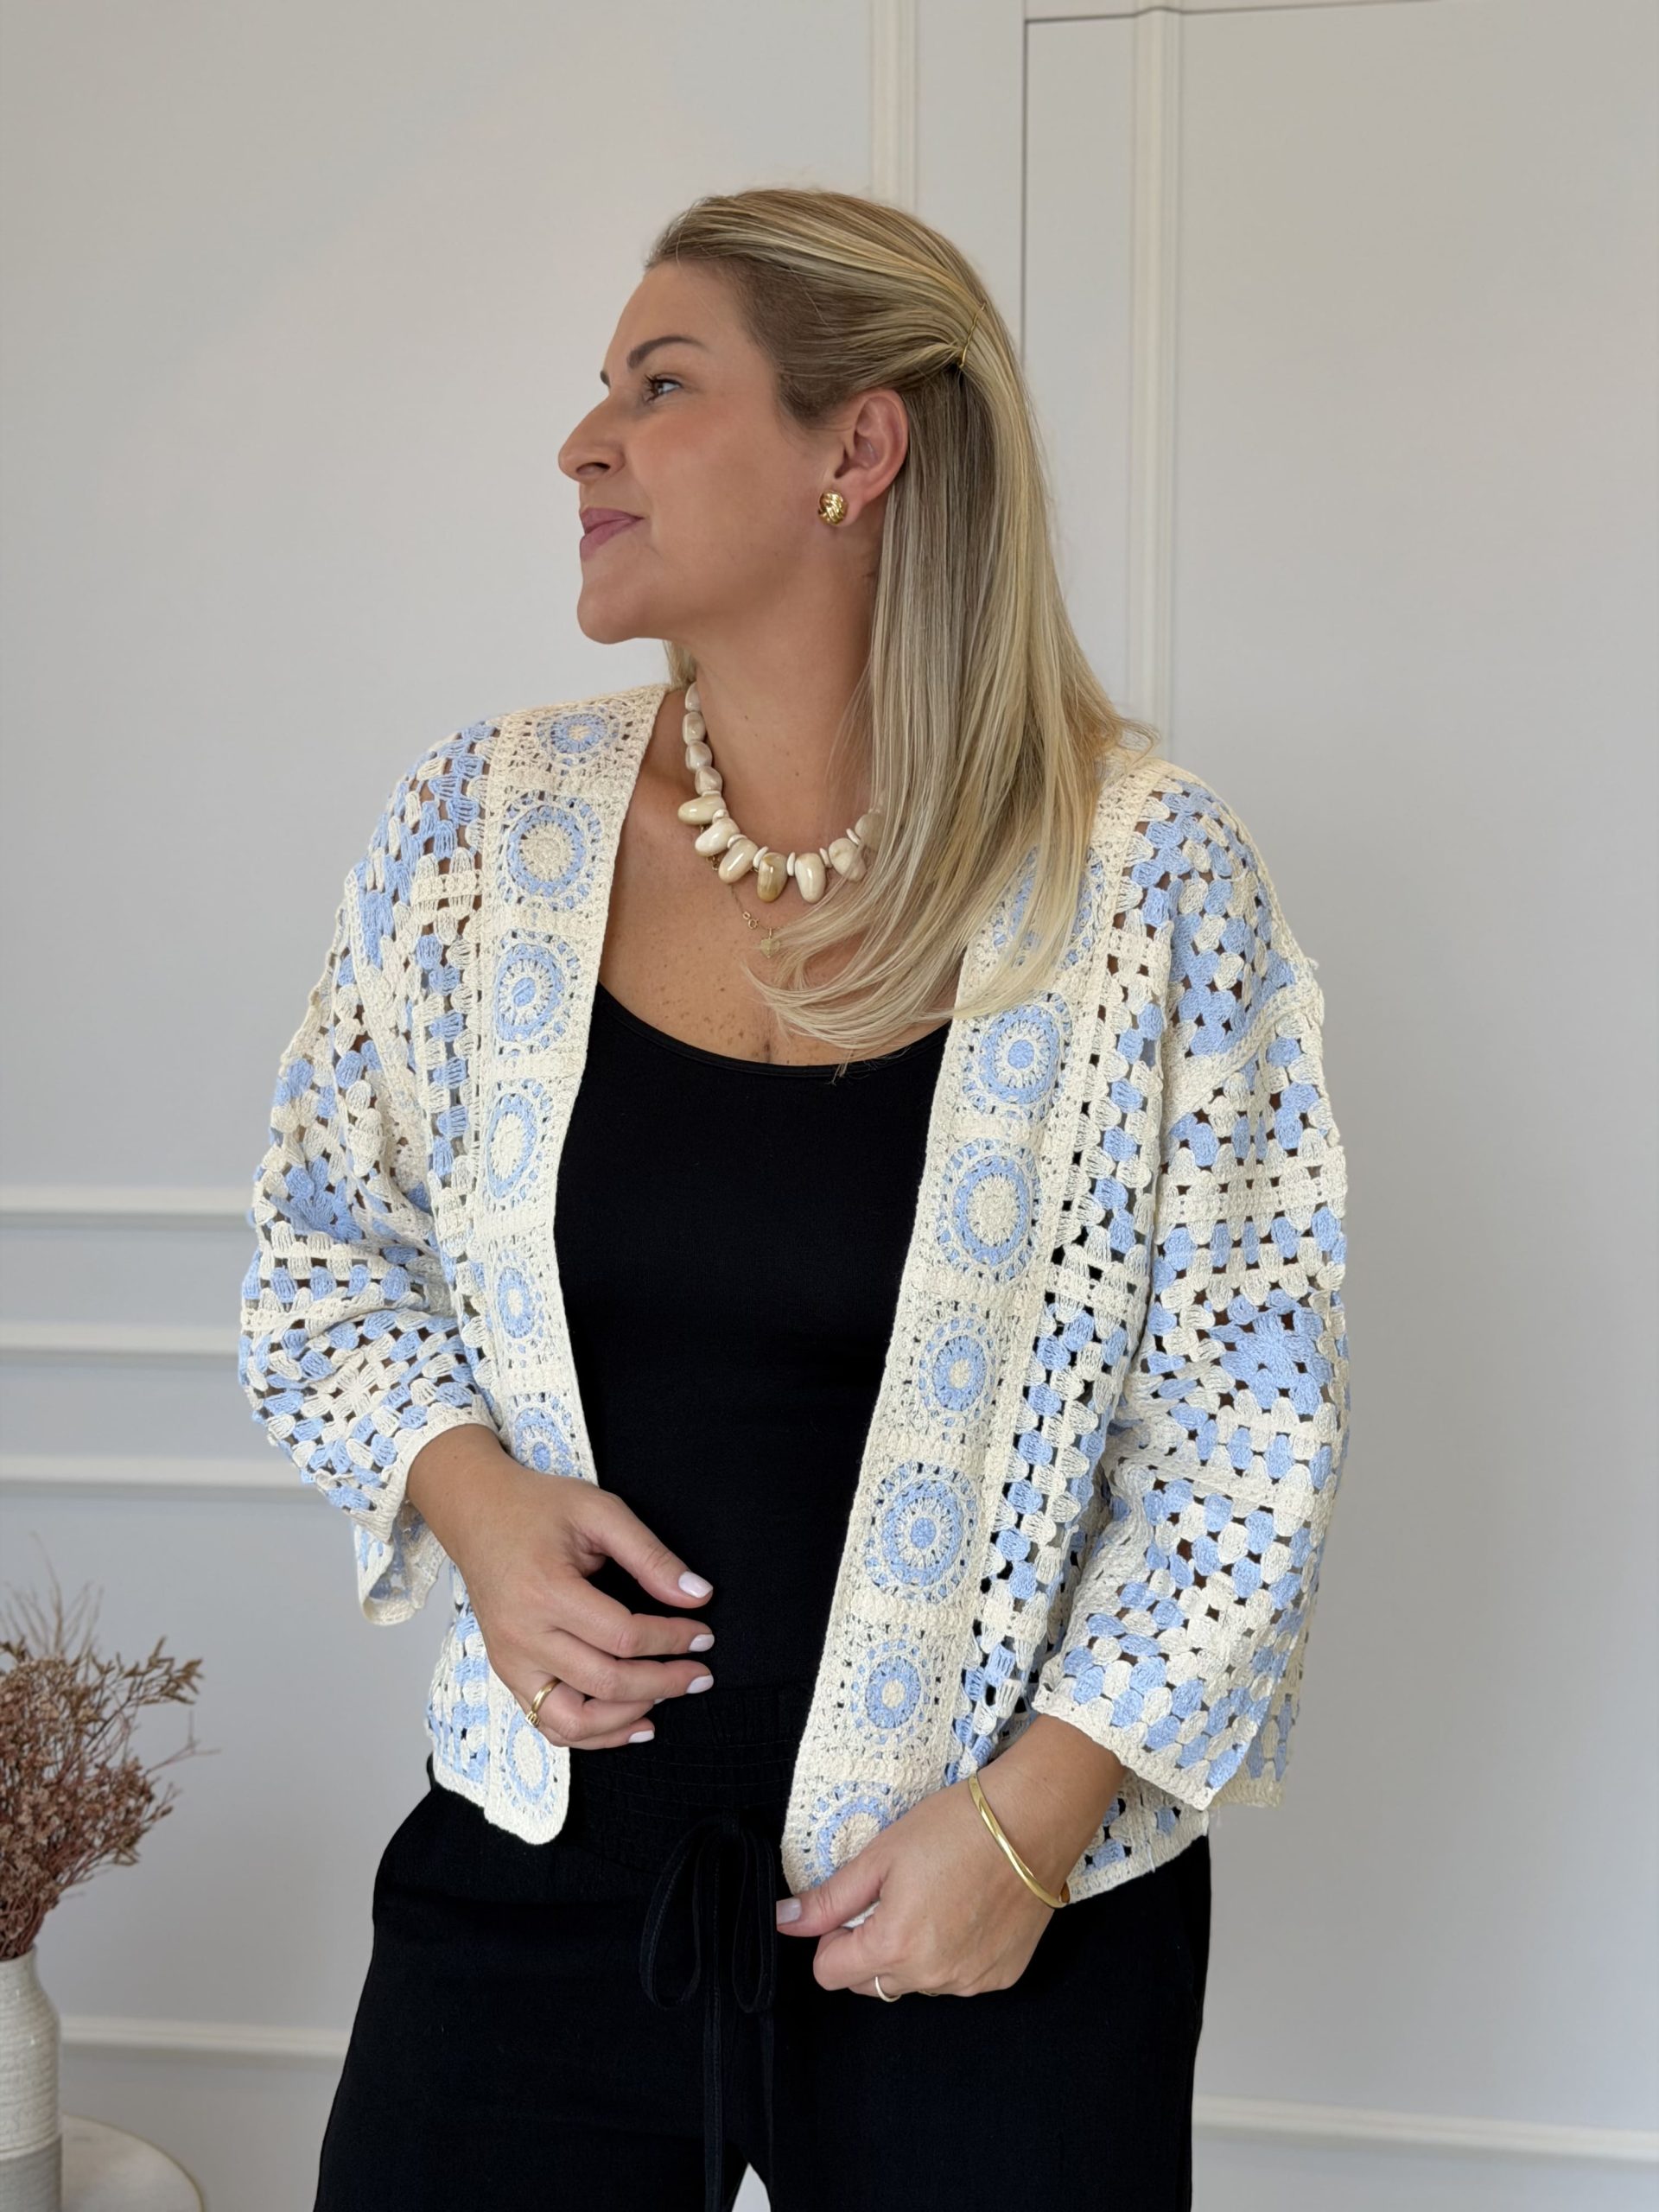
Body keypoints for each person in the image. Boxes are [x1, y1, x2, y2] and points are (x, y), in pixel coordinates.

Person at [238, 184, 1351, 2212]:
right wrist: (471, 1500)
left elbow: (1246, 1424)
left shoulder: (1147, 879)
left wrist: (1029, 1828)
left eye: (660, 387)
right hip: (543, 1875)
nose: (584, 444)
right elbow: (326, 1249)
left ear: (862, 445)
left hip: (996, 1909)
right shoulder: (479, 829)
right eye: (601, 389)